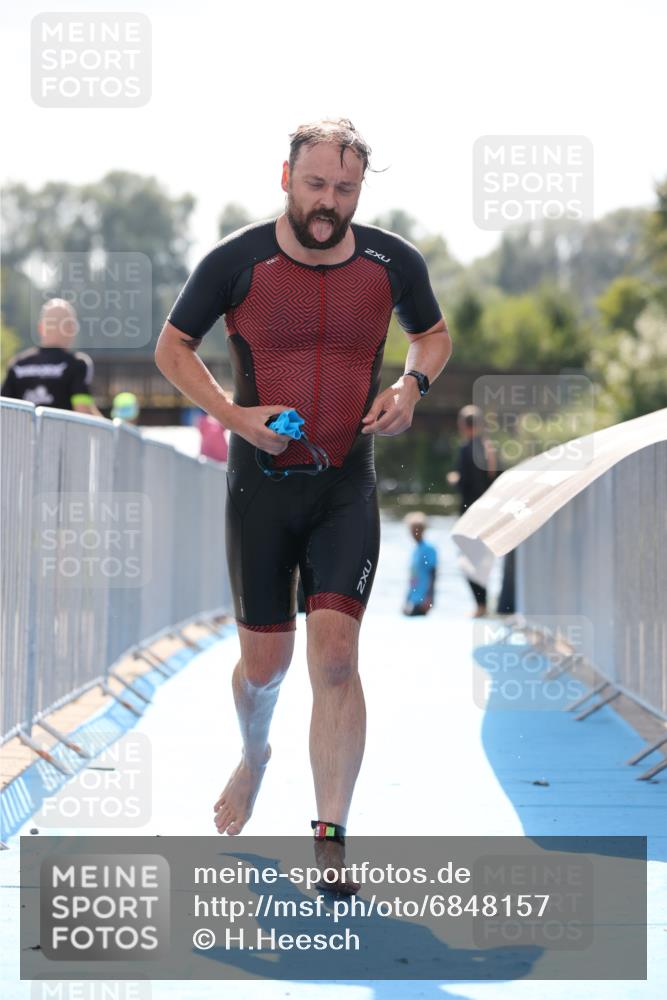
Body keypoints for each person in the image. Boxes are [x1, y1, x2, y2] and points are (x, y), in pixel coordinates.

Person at [155, 118, 452, 891]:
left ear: (360, 190)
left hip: (344, 485)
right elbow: (171, 348)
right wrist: (235, 417)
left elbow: (432, 336)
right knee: (266, 665)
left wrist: (410, 385)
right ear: (285, 177)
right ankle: (254, 755)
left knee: (336, 658)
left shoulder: (392, 261)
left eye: (345, 189)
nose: (329, 202)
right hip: (259, 488)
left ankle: (330, 839)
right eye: (316, 184)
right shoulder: (236, 260)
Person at [1, 298, 101, 415]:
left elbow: (3, 410)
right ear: (70, 328)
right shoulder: (77, 364)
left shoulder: (17, 363)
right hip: (63, 428)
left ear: (41, 328)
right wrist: (111, 425)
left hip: (23, 427)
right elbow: (83, 410)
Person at [447, 404, 497, 616]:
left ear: (464, 426)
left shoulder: (467, 449)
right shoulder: (489, 448)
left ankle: (481, 605)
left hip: (471, 514)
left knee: (468, 560)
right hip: (488, 513)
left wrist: (455, 479)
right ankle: (484, 604)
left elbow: (468, 483)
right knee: (481, 560)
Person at [403, 512, 437, 616]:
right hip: (413, 598)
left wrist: (430, 598)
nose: (414, 533)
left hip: (423, 599)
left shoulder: (429, 549)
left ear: (423, 530)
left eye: (417, 529)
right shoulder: (415, 550)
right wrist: (407, 599)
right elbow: (413, 576)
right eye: (412, 530)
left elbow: (433, 574)